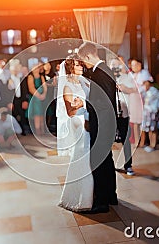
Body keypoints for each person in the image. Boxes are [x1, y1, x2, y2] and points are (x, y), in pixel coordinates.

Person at [78, 42, 117, 213]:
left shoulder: (100, 72)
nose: (84, 65)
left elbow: (104, 101)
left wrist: (85, 103)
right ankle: (110, 195)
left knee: (98, 161)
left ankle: (102, 202)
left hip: (102, 123)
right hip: (106, 122)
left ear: (88, 56)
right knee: (106, 159)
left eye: (83, 61)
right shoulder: (104, 70)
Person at [58, 56, 93, 212]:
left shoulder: (84, 82)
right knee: (81, 154)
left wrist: (85, 104)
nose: (81, 67)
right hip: (78, 121)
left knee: (90, 155)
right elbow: (70, 112)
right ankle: (80, 197)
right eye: (78, 65)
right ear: (71, 68)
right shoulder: (67, 87)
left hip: (87, 118)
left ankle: (91, 193)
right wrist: (80, 105)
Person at [27, 63, 47, 135]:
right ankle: (38, 131)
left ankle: (43, 130)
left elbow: (45, 86)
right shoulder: (30, 76)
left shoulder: (41, 76)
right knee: (37, 114)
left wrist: (44, 94)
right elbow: (31, 88)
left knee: (42, 114)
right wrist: (39, 96)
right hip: (35, 98)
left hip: (42, 98)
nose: (36, 69)